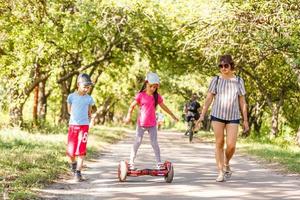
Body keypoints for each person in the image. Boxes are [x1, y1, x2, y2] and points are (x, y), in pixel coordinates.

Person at [196, 55, 249, 182]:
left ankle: (226, 162)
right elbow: (209, 98)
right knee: (219, 143)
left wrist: (246, 120)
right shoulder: (216, 80)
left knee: (231, 146)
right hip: (217, 115)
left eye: (226, 65)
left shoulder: (238, 80)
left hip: (233, 117)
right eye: (221, 66)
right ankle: (220, 172)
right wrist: (202, 115)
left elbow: (242, 101)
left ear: (231, 66)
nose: (223, 68)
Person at [124, 72, 179, 170]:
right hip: (141, 124)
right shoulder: (140, 95)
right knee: (137, 142)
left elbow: (164, 107)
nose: (153, 89)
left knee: (154, 143)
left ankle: (158, 163)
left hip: (152, 124)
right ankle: (131, 162)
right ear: (146, 84)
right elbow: (132, 106)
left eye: (155, 87)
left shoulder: (156, 96)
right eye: (151, 86)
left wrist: (173, 115)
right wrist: (128, 116)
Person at [66, 73, 95, 182]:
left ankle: (78, 173)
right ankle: (74, 166)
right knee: (70, 152)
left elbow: (89, 112)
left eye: (88, 87)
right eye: (85, 87)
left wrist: (91, 120)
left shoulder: (89, 99)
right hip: (73, 126)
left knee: (81, 150)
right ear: (78, 84)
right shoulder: (71, 97)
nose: (86, 89)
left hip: (84, 127)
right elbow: (69, 111)